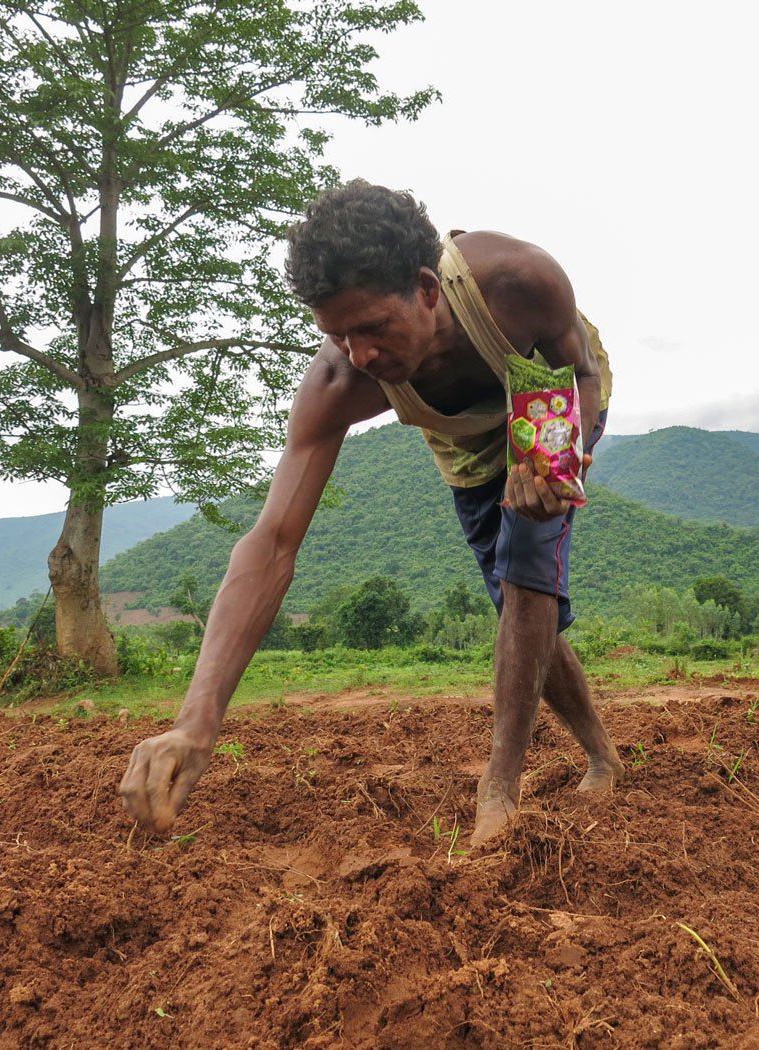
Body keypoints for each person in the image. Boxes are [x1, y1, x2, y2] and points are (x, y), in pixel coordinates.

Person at [119, 181, 623, 846]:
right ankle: (602, 754)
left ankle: (499, 787)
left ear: (427, 288)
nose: (359, 355)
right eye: (336, 335)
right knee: (520, 610)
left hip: (550, 418)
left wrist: (559, 466)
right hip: (468, 453)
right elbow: (272, 542)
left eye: (372, 328)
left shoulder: (519, 283)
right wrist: (197, 718)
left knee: (526, 565)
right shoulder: (340, 382)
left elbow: (579, 372)